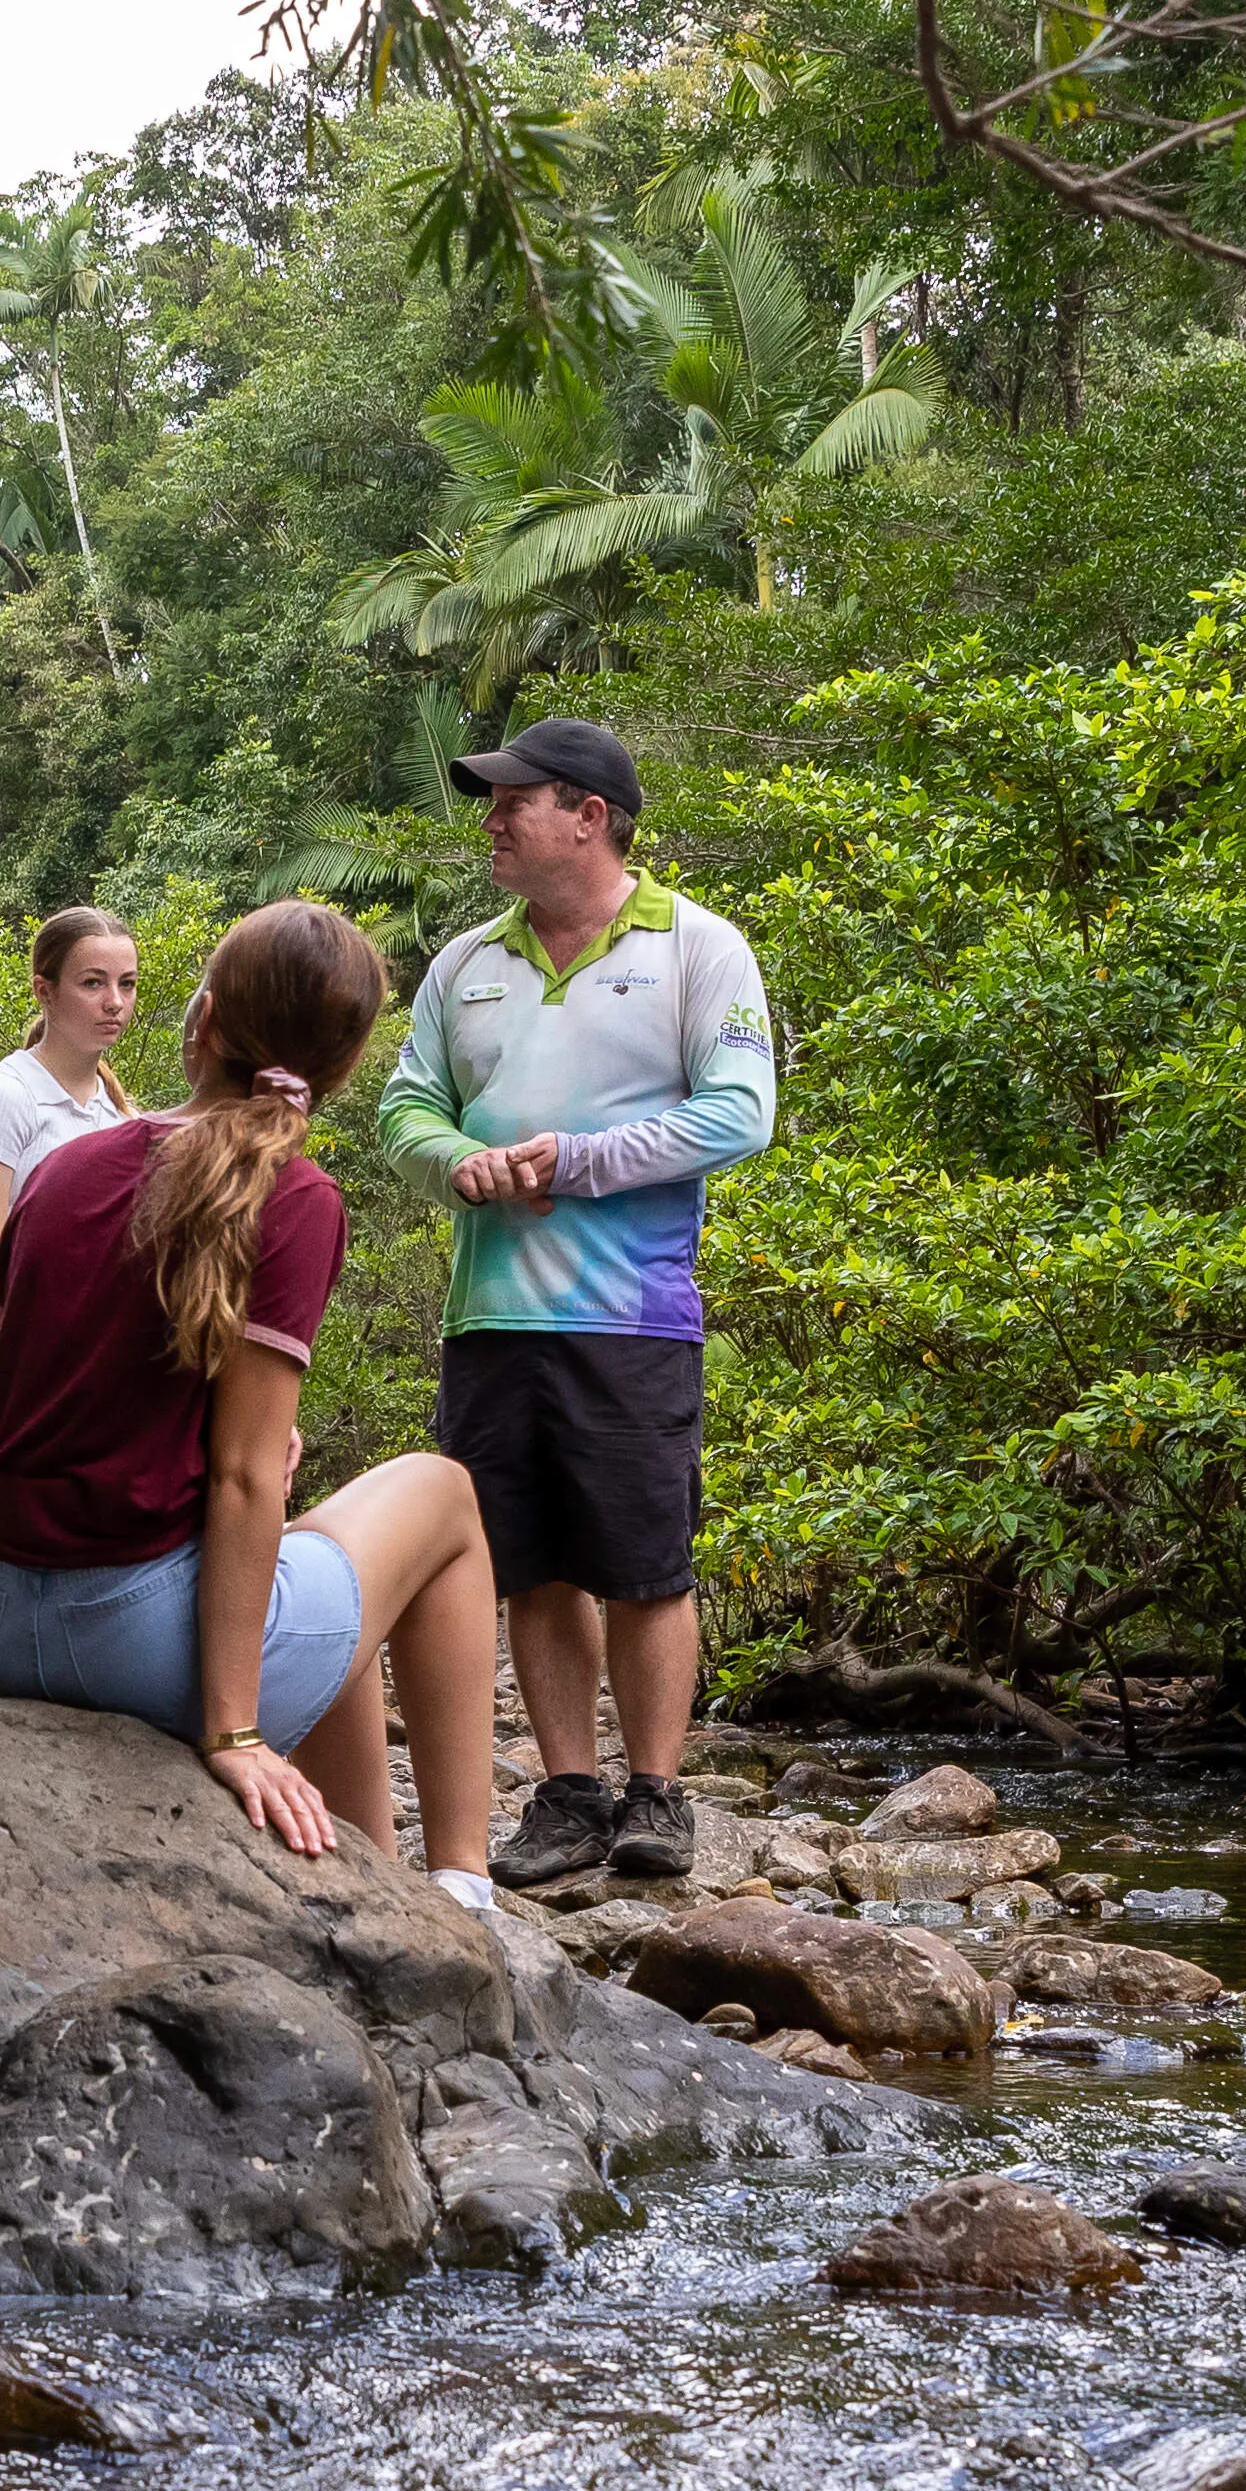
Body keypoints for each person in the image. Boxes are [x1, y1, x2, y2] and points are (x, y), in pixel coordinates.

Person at [0, 899, 501, 1899]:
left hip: (0, 1624)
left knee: (323, 1561)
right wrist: (234, 1731)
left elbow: (53, 1394)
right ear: (345, 1063)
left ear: (202, 1020)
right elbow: (244, 1475)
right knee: (443, 1495)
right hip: (128, 1647)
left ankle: (370, 1882)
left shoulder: (65, 1166)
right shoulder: (294, 1195)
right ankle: (462, 1889)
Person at [371, 713, 778, 1887]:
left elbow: (739, 1113)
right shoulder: (463, 963)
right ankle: (566, 1794)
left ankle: (656, 1792)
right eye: (492, 804)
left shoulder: (699, 946)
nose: (492, 823)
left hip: (630, 1314)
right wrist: (455, 1159)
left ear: (590, 816)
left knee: (645, 1563)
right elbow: (405, 1106)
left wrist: (579, 1160)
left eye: (516, 802)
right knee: (529, 1565)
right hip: (490, 1315)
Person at [0, 904, 139, 1459]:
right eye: (92, 983)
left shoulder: (117, 1115)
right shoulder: (5, 1098)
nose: (114, 1001)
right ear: (44, 991)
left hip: (107, 1380)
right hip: (33, 1385)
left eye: (126, 984)